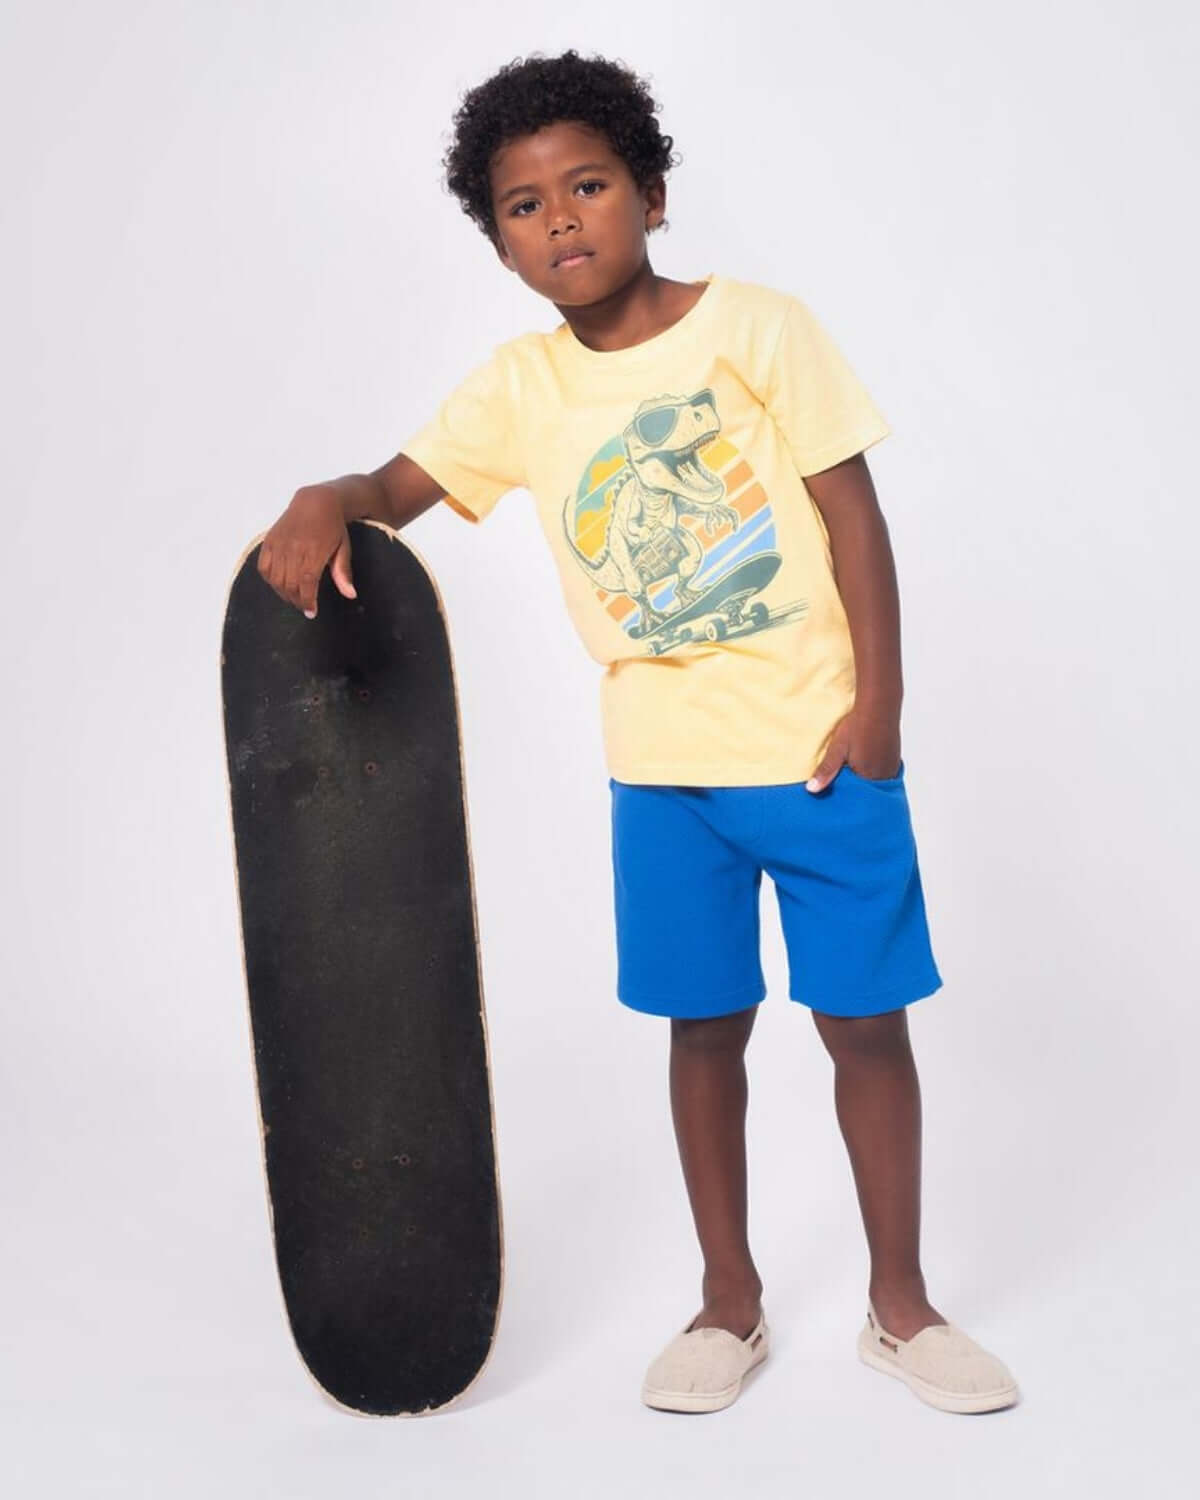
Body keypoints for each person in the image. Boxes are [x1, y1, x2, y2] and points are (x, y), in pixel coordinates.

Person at [256, 48, 1019, 1416]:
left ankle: (901, 1308)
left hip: (822, 758)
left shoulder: (760, 329)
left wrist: (881, 715)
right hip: (663, 784)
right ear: (499, 243)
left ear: (652, 196)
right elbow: (393, 489)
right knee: (702, 1034)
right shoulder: (519, 390)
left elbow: (853, 518)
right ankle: (729, 1303)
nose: (561, 219)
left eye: (589, 185)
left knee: (865, 1028)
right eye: (524, 205)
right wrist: (327, 494)